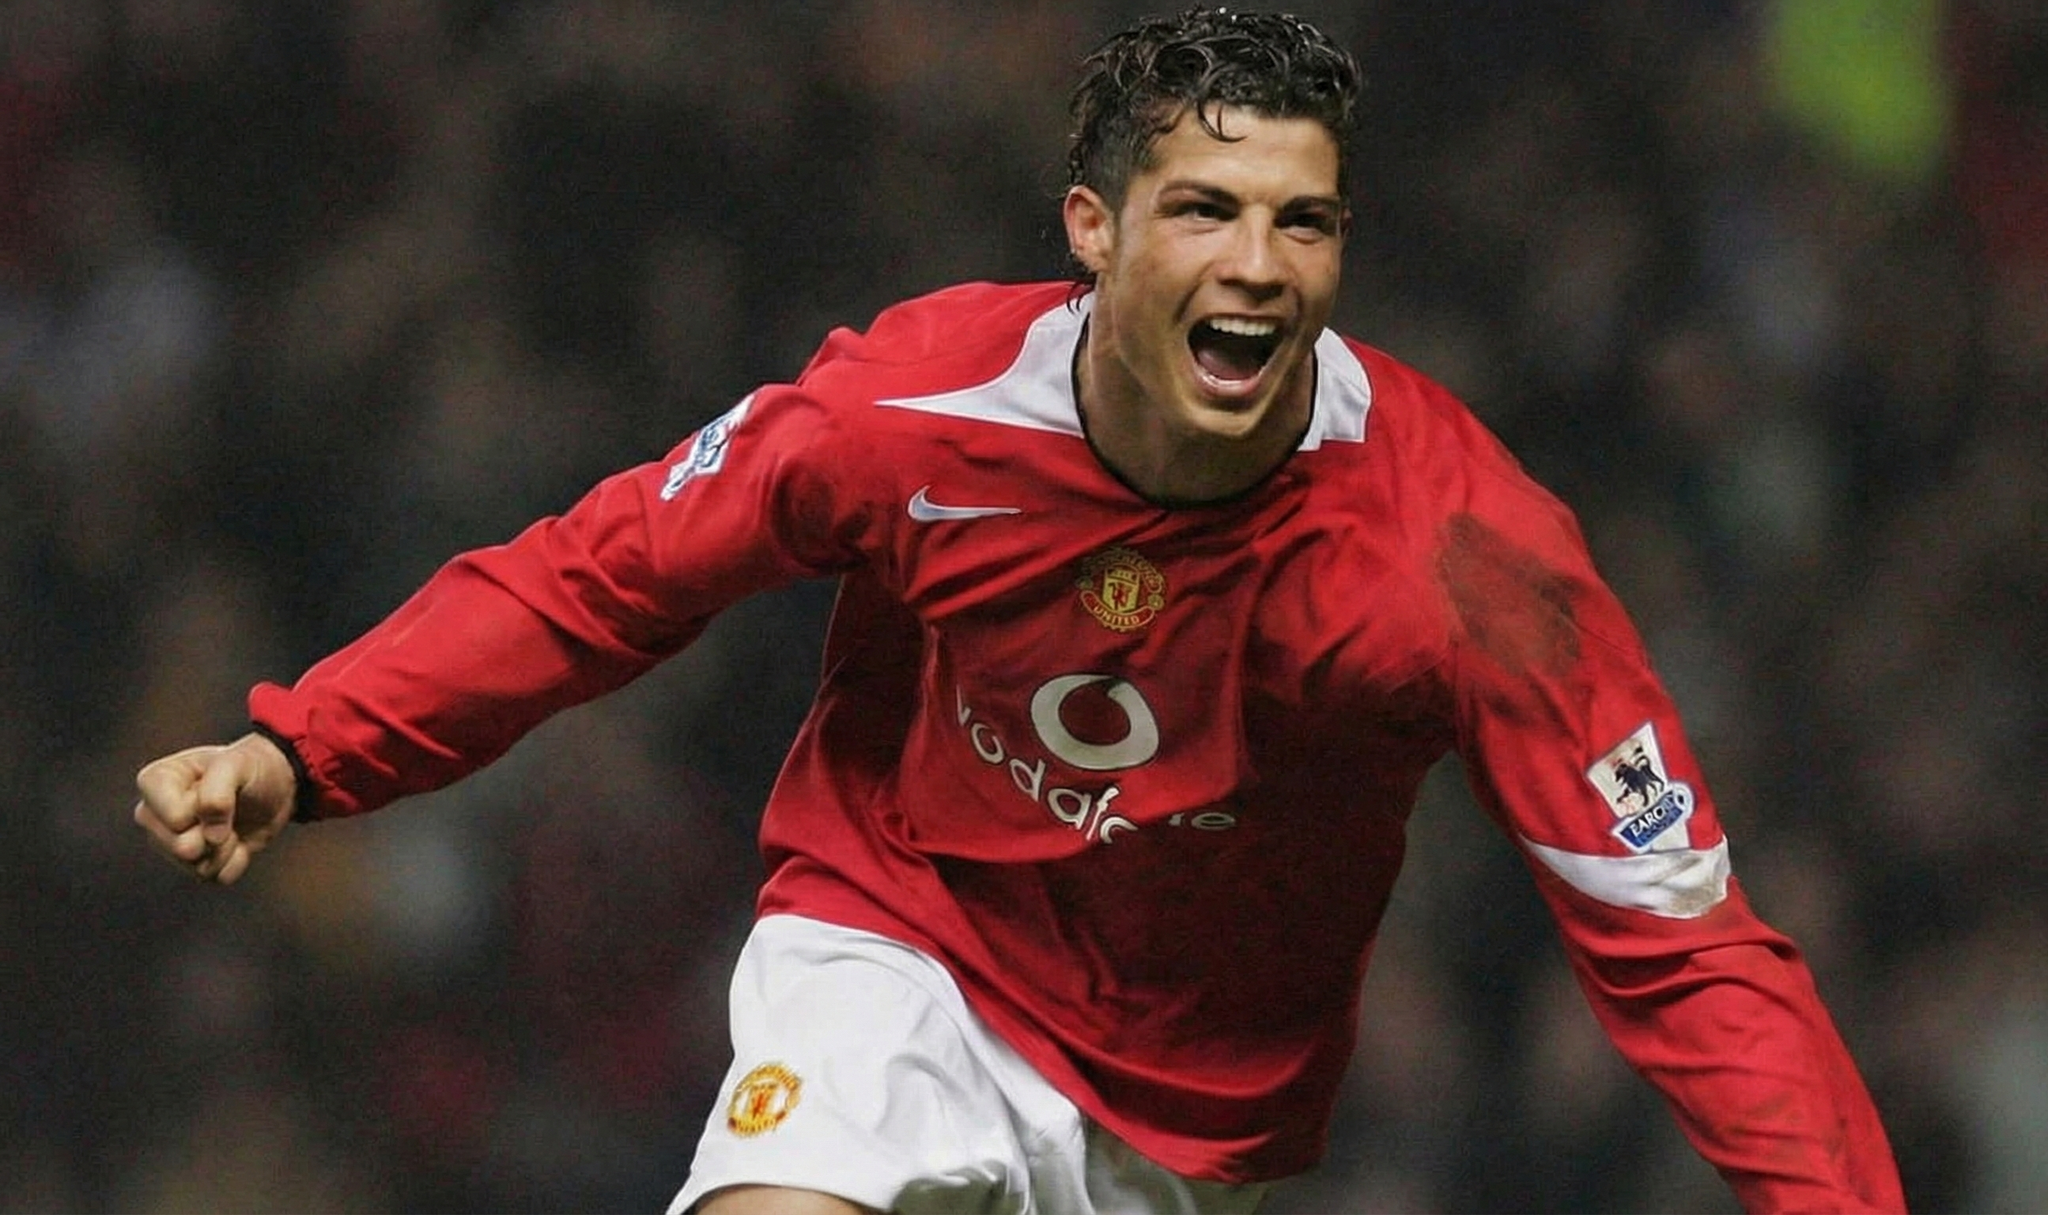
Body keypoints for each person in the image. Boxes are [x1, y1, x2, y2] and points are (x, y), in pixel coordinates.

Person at [133, 9, 1906, 1213]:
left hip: (1197, 1122)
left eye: (1302, 222)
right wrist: (308, 745)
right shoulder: (901, 415)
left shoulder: (1469, 556)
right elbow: (607, 574)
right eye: (1204, 208)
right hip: (901, 945)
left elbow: (1685, 943)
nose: (1257, 265)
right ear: (1095, 229)